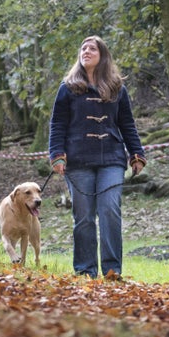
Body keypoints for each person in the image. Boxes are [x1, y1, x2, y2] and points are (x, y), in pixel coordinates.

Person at [49, 36, 146, 279]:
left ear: (102, 55)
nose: (87, 51)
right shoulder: (68, 87)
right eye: (83, 48)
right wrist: (57, 155)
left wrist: (136, 154)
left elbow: (127, 124)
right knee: (83, 217)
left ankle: (113, 271)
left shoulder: (116, 89)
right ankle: (85, 271)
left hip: (112, 159)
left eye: (92, 48)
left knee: (110, 211)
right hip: (78, 160)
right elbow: (57, 124)